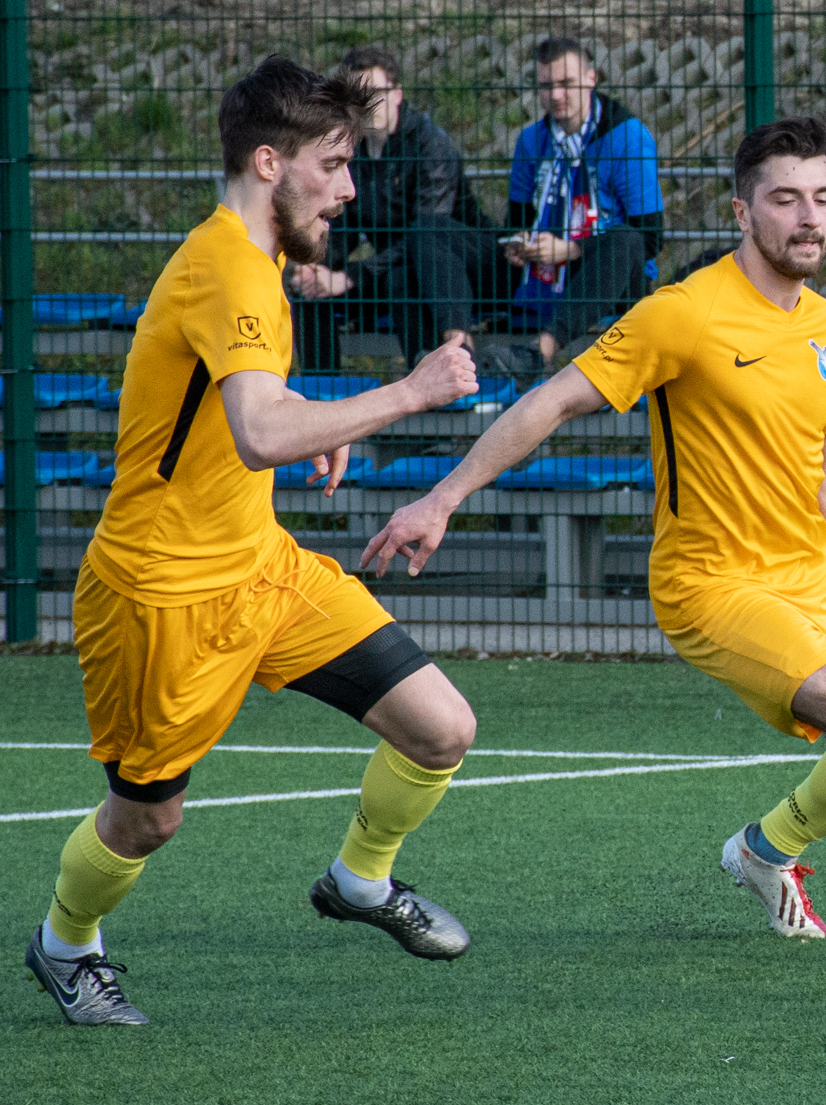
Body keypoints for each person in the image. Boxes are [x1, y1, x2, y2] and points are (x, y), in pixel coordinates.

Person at [359, 117, 826, 969]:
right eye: (786, 199)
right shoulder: (683, 314)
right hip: (711, 583)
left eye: (824, 198)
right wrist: (444, 496)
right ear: (741, 211)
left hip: (811, 575)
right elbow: (553, 400)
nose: (810, 218)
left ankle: (765, 850)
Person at [24, 56, 485, 1026]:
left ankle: (359, 880)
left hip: (262, 569)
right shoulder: (227, 264)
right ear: (270, 162)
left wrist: (318, 420)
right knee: (147, 819)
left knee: (441, 726)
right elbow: (260, 433)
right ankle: (65, 944)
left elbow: (250, 408)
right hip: (161, 595)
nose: (350, 188)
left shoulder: (256, 257)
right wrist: (409, 391)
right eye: (335, 164)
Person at [414, 36, 662, 383]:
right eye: (546, 86)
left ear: (591, 78)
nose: (556, 95)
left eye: (566, 83)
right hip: (538, 271)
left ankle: (537, 353)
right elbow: (516, 223)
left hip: (603, 273)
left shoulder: (627, 136)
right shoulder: (531, 140)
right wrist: (518, 244)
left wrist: (569, 249)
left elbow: (649, 238)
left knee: (626, 240)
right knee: (429, 229)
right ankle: (458, 353)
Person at [290, 46, 491, 371]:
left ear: (397, 94)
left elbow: (426, 235)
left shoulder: (430, 144)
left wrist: (350, 277)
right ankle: (321, 388)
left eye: (376, 93)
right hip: (382, 269)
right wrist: (318, 267)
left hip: (450, 274)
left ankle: (431, 377)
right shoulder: (352, 151)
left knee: (404, 276)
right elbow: (344, 227)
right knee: (309, 289)